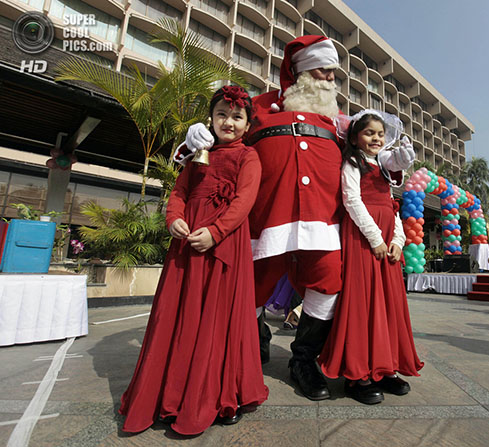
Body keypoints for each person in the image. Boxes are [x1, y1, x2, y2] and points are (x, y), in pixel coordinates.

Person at [175, 36, 415, 401]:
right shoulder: (259, 106)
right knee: (251, 287)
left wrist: (396, 161)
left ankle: (304, 360)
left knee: (329, 284)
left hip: (323, 221)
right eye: (322, 71)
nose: (330, 79)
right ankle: (252, 344)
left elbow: (374, 159)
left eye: (333, 73)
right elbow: (225, 132)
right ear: (300, 72)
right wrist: (198, 135)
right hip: (264, 218)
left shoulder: (340, 122)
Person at [119, 85, 268, 435]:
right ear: (211, 119)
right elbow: (180, 192)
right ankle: (169, 395)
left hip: (224, 246)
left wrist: (216, 232)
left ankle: (222, 395)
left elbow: (244, 201)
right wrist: (174, 218)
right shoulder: (199, 152)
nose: (228, 122)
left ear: (247, 125)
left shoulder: (249, 157)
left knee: (219, 319)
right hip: (186, 246)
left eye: (237, 117)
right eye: (221, 115)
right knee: (177, 317)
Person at [318, 110, 424, 404]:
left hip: (386, 241)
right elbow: (351, 201)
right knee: (363, 303)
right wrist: (376, 238)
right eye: (369, 133)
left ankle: (386, 367)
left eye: (380, 134)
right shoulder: (352, 164)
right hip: (362, 240)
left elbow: (391, 206)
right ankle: (358, 375)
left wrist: (399, 240)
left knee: (389, 304)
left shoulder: (385, 168)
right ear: (354, 138)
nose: (376, 138)